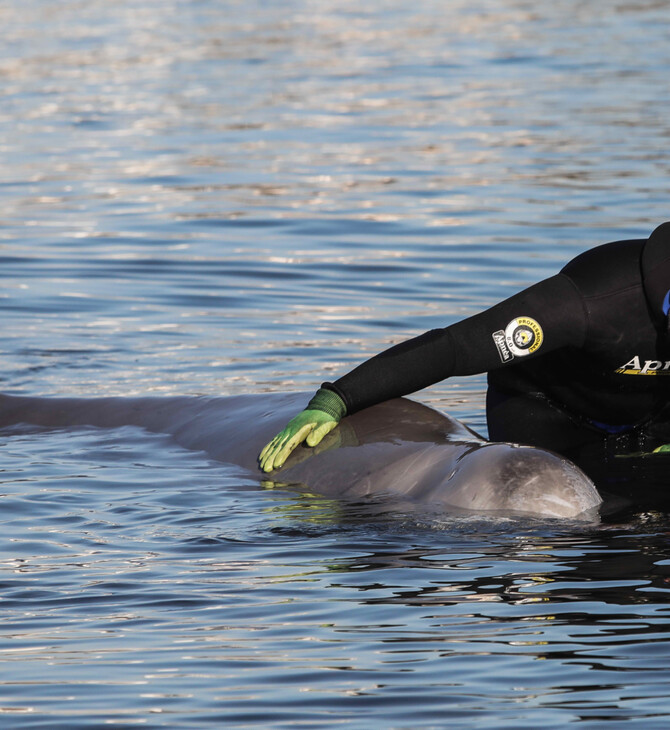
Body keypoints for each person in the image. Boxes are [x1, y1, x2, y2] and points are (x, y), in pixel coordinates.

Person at [259, 222, 670, 473]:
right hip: (548, 411)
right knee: (576, 525)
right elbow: (454, 349)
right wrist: (336, 399)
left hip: (652, 421)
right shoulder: (592, 300)